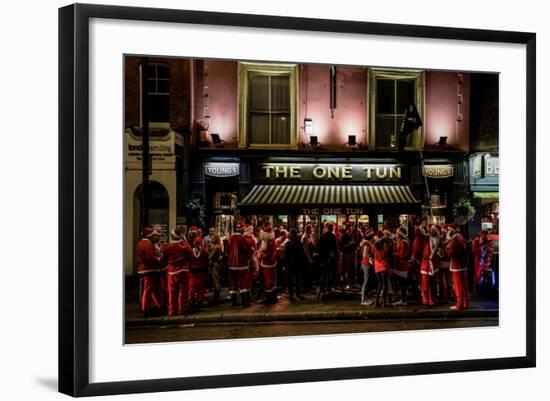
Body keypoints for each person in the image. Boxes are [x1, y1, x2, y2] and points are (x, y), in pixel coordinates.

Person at [162, 226, 191, 316]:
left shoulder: (166, 246)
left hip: (171, 272)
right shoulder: (183, 246)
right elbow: (190, 254)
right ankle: (181, 310)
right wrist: (185, 240)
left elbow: (163, 258)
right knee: (182, 291)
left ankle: (171, 310)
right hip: (183, 270)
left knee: (172, 292)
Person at [136, 226, 163, 317]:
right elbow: (150, 257)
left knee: (149, 289)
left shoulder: (140, 243)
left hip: (143, 269)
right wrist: (159, 260)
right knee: (148, 290)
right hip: (149, 269)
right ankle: (146, 308)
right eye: (153, 235)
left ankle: (155, 306)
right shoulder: (148, 244)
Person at [227, 222, 254, 308]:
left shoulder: (230, 238)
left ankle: (234, 301)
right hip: (242, 264)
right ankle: (244, 302)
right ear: (242, 230)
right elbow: (247, 250)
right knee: (243, 282)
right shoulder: (242, 239)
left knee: (233, 282)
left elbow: (227, 251)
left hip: (231, 264)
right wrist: (252, 251)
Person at [445, 223, 469, 311]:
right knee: (463, 285)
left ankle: (459, 305)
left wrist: (447, 248)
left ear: (452, 231)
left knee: (458, 286)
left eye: (449, 230)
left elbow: (451, 253)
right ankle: (465, 303)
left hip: (457, 266)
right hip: (462, 265)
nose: (447, 232)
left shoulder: (455, 240)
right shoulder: (460, 237)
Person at [420, 225, 444, 307]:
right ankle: (426, 300)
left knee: (433, 284)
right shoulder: (426, 238)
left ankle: (433, 299)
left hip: (434, 264)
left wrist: (440, 252)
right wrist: (421, 227)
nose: (433, 231)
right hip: (425, 264)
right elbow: (418, 234)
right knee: (425, 284)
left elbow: (441, 254)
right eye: (431, 229)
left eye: (435, 230)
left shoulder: (439, 241)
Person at [283, 228, 306, 301]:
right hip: (297, 264)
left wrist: (285, 265)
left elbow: (285, 255)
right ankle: (297, 294)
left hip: (291, 265)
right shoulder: (299, 243)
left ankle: (292, 295)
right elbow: (302, 254)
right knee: (297, 279)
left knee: (291, 281)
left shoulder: (288, 243)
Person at [187, 234, 209, 309]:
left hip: (192, 272)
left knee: (192, 287)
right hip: (201, 272)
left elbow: (188, 261)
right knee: (201, 287)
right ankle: (200, 300)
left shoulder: (190, 252)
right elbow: (206, 262)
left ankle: (191, 301)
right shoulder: (204, 252)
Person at [259, 223, 278, 304]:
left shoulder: (267, 241)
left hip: (267, 263)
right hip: (272, 263)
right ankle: (273, 297)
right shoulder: (272, 240)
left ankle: (269, 299)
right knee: (272, 280)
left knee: (268, 281)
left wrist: (261, 254)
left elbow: (265, 253)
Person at [317, 223, 339, 295]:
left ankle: (323, 288)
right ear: (332, 228)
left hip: (323, 257)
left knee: (323, 274)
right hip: (330, 257)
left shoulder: (323, 235)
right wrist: (337, 257)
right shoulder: (333, 236)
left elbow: (319, 247)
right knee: (330, 273)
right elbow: (335, 248)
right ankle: (328, 288)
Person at [371, 231, 390, 308]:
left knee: (379, 284)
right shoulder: (384, 245)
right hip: (383, 265)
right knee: (385, 285)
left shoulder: (374, 246)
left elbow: (372, 254)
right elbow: (386, 254)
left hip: (376, 265)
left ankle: (377, 302)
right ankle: (384, 302)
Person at [393, 227, 411, 306]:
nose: (396, 235)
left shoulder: (403, 242)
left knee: (403, 283)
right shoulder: (400, 241)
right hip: (399, 265)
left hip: (402, 265)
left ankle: (404, 300)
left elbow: (403, 254)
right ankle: (403, 299)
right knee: (401, 283)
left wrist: (394, 254)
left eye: (397, 233)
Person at [207, 229, 224, 306]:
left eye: (213, 237)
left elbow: (210, 257)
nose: (211, 238)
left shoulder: (216, 247)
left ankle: (216, 299)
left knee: (216, 281)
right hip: (216, 264)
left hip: (215, 264)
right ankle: (216, 297)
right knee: (215, 281)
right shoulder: (216, 246)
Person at [359, 227, 375, 305]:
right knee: (366, 281)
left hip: (365, 263)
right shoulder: (366, 244)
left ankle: (365, 298)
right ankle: (363, 299)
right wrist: (371, 257)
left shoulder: (365, 243)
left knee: (367, 281)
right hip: (366, 264)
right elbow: (364, 254)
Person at [340, 223, 358, 288]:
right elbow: (342, 247)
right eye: (349, 229)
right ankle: (347, 283)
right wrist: (349, 244)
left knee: (352, 269)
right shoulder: (344, 237)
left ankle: (352, 282)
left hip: (352, 253)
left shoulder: (353, 236)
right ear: (347, 229)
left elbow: (356, 243)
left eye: (351, 229)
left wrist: (356, 245)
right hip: (346, 254)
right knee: (347, 269)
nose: (351, 230)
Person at [438, 225, 453, 304]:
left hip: (447, 264)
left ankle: (449, 296)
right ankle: (442, 295)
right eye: (442, 231)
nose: (442, 233)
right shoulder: (440, 241)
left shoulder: (449, 241)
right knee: (441, 281)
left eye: (444, 232)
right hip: (440, 264)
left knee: (448, 281)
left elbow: (450, 253)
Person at [301, 224, 316, 293]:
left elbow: (312, 245)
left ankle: (310, 286)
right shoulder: (304, 237)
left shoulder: (309, 236)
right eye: (311, 229)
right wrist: (309, 258)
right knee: (306, 273)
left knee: (310, 272)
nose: (312, 230)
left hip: (310, 256)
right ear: (308, 229)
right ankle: (306, 288)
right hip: (306, 258)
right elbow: (305, 249)